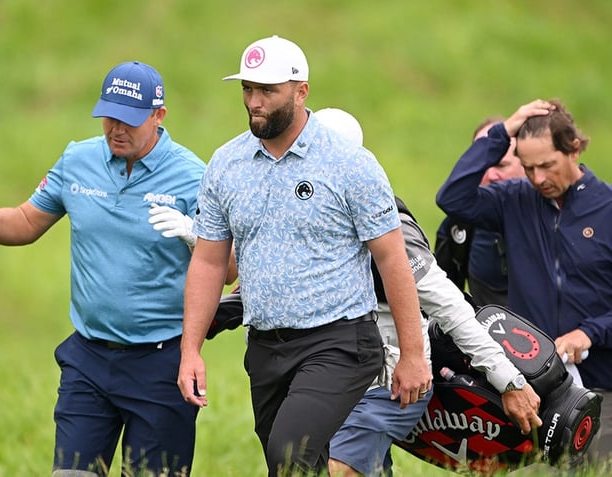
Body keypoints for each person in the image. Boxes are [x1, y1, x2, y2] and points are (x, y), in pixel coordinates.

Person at [176, 35, 431, 476]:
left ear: (301, 91)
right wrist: (190, 349)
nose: (254, 102)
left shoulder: (350, 163)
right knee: (293, 466)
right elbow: (209, 262)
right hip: (265, 347)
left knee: (289, 454)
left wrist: (412, 355)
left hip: (339, 343)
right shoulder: (225, 164)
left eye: (267, 91)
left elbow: (393, 259)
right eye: (247, 89)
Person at [0, 61, 209, 476]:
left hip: (161, 363)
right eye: (109, 116)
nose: (116, 129)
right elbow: (27, 221)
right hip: (89, 359)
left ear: (158, 115)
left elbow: (228, 267)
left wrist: (196, 237)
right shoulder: (78, 160)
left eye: (129, 120)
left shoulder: (193, 176)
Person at [307, 109, 542, 477]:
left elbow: (449, 307)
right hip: (325, 382)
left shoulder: (387, 224)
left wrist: (508, 381)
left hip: (383, 385)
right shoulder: (303, 217)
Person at [436, 98, 612, 464]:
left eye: (547, 165)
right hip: (539, 384)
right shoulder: (515, 199)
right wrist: (503, 133)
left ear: (574, 149)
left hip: (602, 381)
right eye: (529, 168)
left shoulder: (607, 208)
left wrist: (591, 332)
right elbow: (452, 197)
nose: (539, 179)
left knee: (595, 467)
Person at [434, 117, 525, 307]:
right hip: (486, 334)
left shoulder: (552, 216)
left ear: (526, 163)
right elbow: (441, 302)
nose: (491, 175)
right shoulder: (458, 225)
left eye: (501, 165)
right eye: (482, 166)